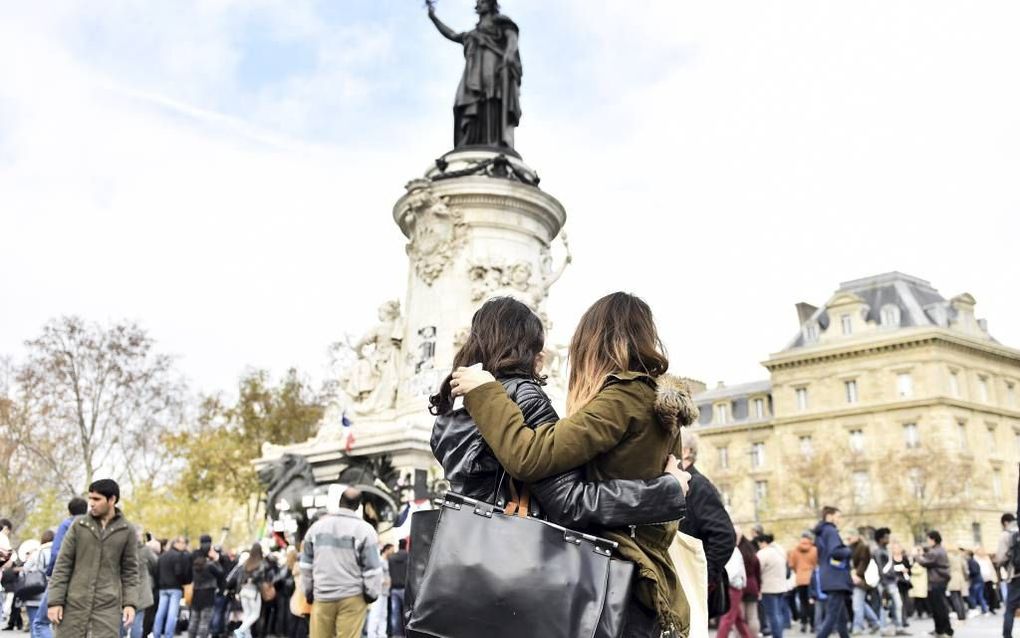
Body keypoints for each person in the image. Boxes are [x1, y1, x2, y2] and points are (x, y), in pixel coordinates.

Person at [451, 292, 702, 636]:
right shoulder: (661, 409)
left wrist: (486, 392)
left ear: (593, 343)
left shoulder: (622, 397)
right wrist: (668, 490)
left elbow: (531, 457)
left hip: (604, 577)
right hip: (637, 578)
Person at [46, 479, 140, 638]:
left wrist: (130, 604)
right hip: (74, 605)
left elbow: (130, 572)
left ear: (112, 500)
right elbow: (62, 565)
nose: (91, 503)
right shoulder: (79, 525)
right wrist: (55, 602)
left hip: (107, 608)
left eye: (97, 499)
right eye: (90, 498)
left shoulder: (127, 530)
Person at [300, 486, 382, 638]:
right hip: (352, 597)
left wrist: (309, 591)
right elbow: (373, 569)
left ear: (339, 502)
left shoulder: (316, 529)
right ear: (358, 505)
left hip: (322, 596)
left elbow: (305, 566)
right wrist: (371, 594)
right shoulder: (365, 530)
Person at [678, 428, 737, 618]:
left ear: (686, 451)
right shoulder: (682, 484)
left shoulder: (697, 485)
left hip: (691, 588)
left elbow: (724, 536)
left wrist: (703, 576)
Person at [31, 498, 88, 638]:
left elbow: (57, 554)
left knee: (40, 623)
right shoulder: (92, 525)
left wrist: (50, 574)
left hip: (63, 578)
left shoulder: (67, 524)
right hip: (85, 580)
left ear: (69, 511)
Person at [814, 506, 852, 638]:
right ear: (829, 516)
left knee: (841, 617)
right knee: (832, 617)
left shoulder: (822, 532)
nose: (839, 520)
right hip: (835, 578)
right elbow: (835, 552)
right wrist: (848, 550)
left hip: (830, 577)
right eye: (838, 516)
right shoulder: (830, 531)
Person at [915, 530, 952, 638]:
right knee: (939, 607)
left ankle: (943, 630)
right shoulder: (939, 550)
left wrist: (916, 556)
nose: (927, 542)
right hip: (939, 581)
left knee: (938, 608)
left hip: (936, 581)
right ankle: (941, 629)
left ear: (933, 539)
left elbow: (924, 562)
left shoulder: (936, 552)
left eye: (928, 539)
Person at [153, 536, 193, 638]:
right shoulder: (179, 556)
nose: (184, 546)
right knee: (172, 613)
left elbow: (157, 572)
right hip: (175, 588)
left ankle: (156, 634)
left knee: (160, 612)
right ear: (177, 543)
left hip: (163, 588)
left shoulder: (162, 556)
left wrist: (159, 585)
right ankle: (168, 635)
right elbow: (179, 572)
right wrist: (184, 582)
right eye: (183, 543)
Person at [873, 528, 909, 636]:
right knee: (885, 606)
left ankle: (898, 627)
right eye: (885, 537)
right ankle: (884, 629)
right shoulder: (878, 552)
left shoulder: (885, 551)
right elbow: (881, 569)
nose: (888, 539)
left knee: (897, 605)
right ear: (880, 539)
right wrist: (884, 584)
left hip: (891, 582)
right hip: (885, 583)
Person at [190, 535, 224, 638]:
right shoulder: (210, 564)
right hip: (208, 593)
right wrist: (215, 559)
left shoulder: (194, 557)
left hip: (196, 591)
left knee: (194, 619)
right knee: (205, 620)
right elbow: (221, 573)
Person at [230, 543, 267, 638]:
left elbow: (240, 578)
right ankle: (240, 631)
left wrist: (238, 592)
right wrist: (252, 579)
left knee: (247, 615)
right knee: (255, 614)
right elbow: (260, 577)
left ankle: (247, 635)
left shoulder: (246, 562)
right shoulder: (261, 563)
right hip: (253, 592)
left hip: (243, 591)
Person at [847, 528, 879, 635]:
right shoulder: (850, 548)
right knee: (860, 603)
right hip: (853, 579)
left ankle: (858, 628)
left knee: (857, 605)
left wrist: (856, 574)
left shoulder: (863, 547)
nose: (848, 539)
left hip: (860, 579)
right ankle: (875, 623)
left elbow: (863, 562)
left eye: (850, 537)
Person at [756, 534, 788, 638]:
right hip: (781, 587)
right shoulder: (779, 552)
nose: (759, 546)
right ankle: (779, 634)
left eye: (759, 544)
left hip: (769, 588)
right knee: (779, 613)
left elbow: (757, 569)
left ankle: (777, 635)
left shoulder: (763, 553)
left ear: (763, 542)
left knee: (773, 615)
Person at [717, 544, 752, 638]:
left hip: (732, 586)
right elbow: (733, 571)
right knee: (730, 617)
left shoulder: (728, 549)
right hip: (733, 587)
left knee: (735, 618)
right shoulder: (733, 550)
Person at [789, 532, 819, 634]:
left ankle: (803, 624)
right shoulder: (814, 549)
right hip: (811, 578)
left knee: (802, 602)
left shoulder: (795, 550)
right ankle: (813, 625)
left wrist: (798, 571)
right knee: (811, 602)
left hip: (800, 579)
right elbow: (816, 563)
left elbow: (791, 564)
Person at [996, 513, 1020, 637]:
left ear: (1005, 522)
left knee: (1010, 608)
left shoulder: (1006, 534)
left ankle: (1007, 635)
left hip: (1016, 576)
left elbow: (1000, 557)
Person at [130, 528, 157, 638]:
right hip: (141, 590)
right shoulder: (145, 550)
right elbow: (155, 564)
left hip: (123, 589)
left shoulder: (121, 548)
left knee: (120, 621)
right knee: (137, 619)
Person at [365, 544, 392, 638]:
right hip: (379, 591)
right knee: (375, 614)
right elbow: (376, 573)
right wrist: (383, 581)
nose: (393, 551)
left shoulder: (386, 561)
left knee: (383, 614)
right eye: (391, 549)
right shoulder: (379, 560)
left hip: (385, 592)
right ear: (386, 550)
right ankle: (371, 634)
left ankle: (382, 634)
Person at [386, 539, 407, 637]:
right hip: (405, 589)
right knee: (405, 613)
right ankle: (405, 633)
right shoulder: (409, 557)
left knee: (395, 614)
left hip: (394, 589)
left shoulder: (391, 558)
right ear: (406, 545)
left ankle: (396, 635)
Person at [965, 549, 987, 615]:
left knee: (973, 596)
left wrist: (968, 574)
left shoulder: (970, 562)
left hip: (975, 581)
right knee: (980, 596)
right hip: (979, 580)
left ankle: (974, 609)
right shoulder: (974, 561)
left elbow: (974, 571)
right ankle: (984, 609)